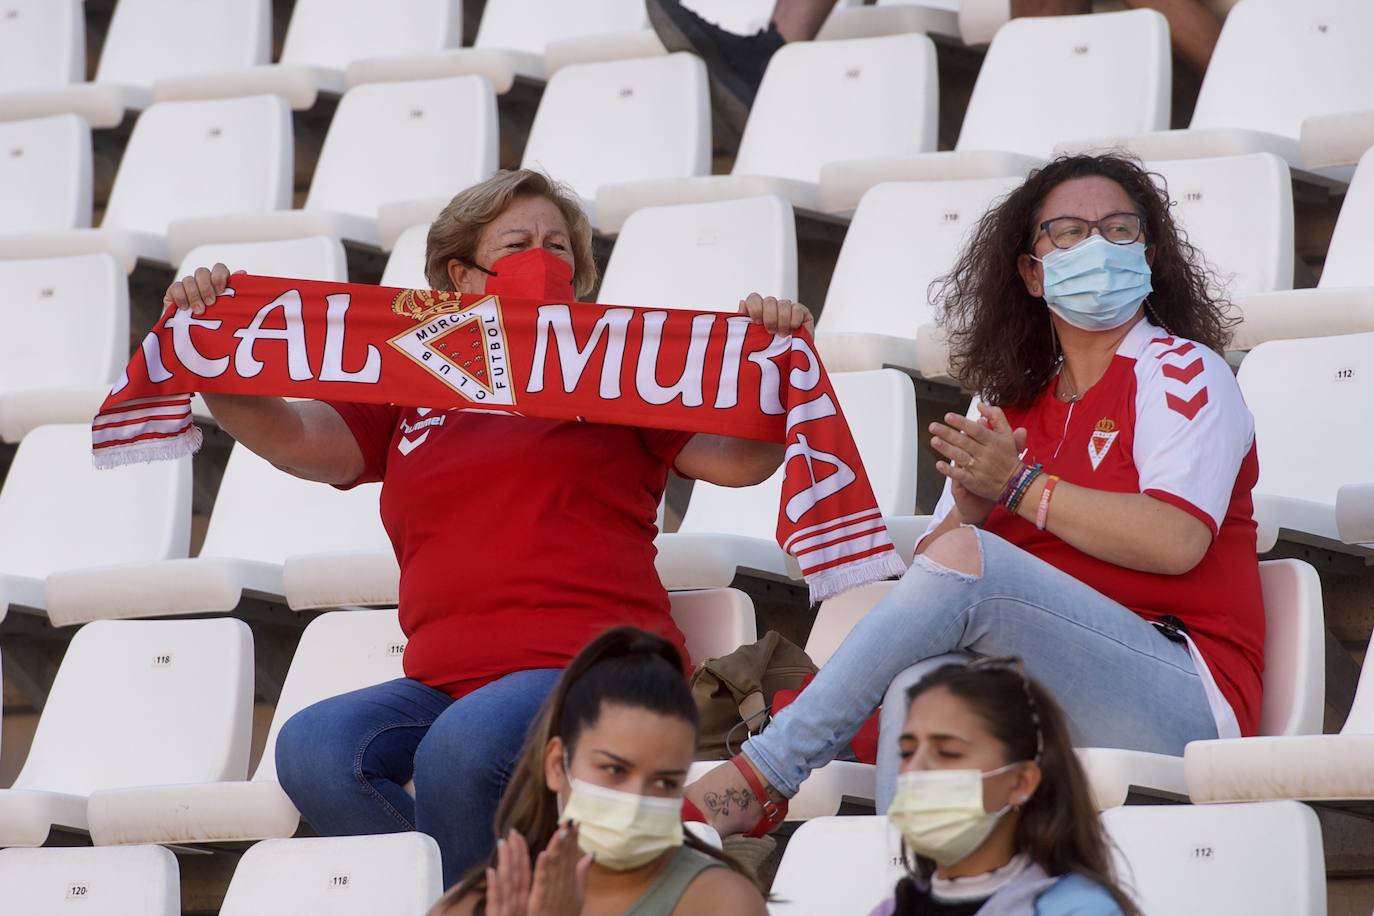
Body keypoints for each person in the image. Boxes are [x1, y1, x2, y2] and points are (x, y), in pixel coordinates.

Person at [162, 168, 815, 887]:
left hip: (601, 669)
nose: (544, 260)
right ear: (459, 274)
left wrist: (773, 378)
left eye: (559, 246)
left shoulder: (612, 363)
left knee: (459, 748)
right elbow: (296, 437)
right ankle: (495, 899)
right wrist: (214, 360)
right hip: (447, 683)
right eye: (518, 243)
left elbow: (737, 463)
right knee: (313, 749)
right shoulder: (410, 379)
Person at [681, 152, 1263, 837]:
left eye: (1119, 230)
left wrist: (1019, 488)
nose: (1098, 246)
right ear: (1031, 270)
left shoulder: (1182, 370)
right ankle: (918, 888)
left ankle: (766, 772)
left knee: (967, 569)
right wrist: (975, 504)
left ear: (1150, 252)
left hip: (1179, 692)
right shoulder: (1009, 400)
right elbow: (935, 576)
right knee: (918, 692)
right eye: (1070, 232)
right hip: (1031, 690)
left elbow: (1176, 538)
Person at [427, 626, 768, 916]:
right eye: (614, 769)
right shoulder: (475, 904)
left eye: (664, 781)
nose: (636, 799)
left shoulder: (720, 901)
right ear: (556, 765)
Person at [878, 657, 1138, 915]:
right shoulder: (892, 909)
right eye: (906, 752)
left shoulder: (1080, 910)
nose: (914, 770)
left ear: (1021, 782)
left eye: (948, 752)